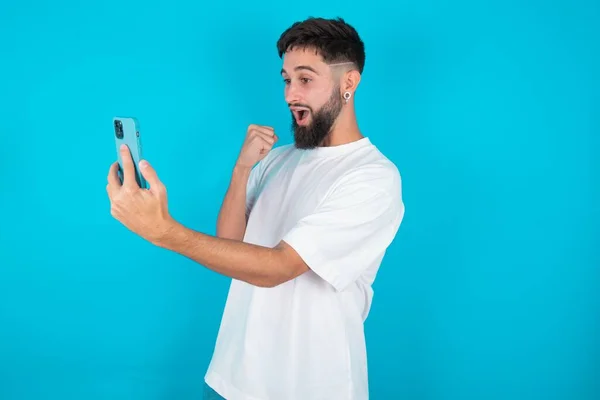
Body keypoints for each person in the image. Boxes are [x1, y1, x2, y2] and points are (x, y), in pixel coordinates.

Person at [106, 16, 405, 400]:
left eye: (305, 79)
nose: (289, 94)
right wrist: (243, 168)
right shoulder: (278, 159)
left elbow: (278, 267)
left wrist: (165, 231)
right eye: (286, 79)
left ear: (349, 82)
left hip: (309, 387)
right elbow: (230, 244)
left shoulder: (373, 177)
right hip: (229, 379)